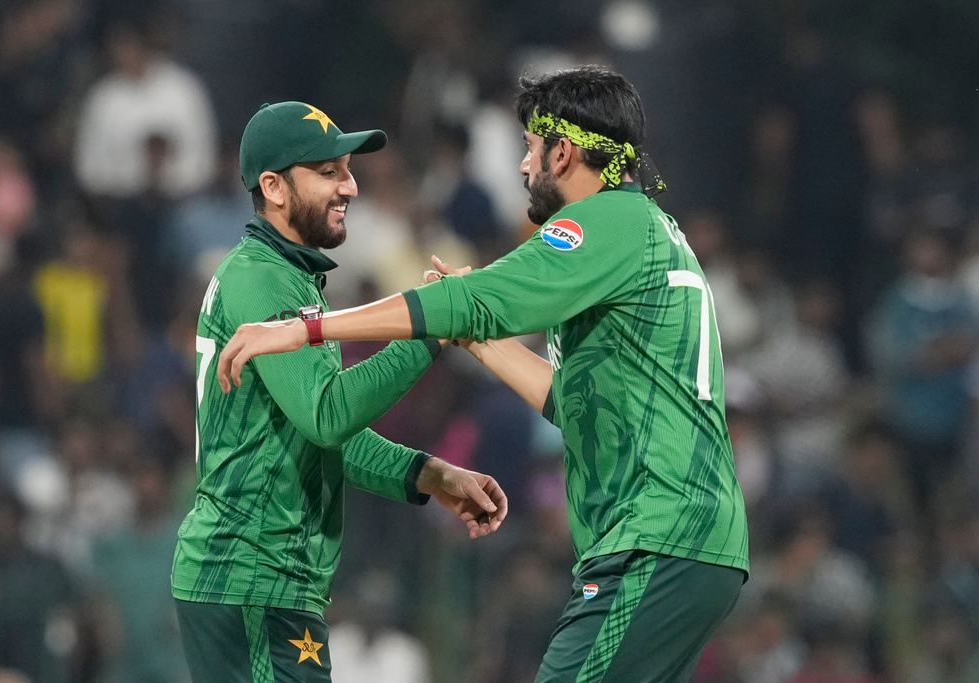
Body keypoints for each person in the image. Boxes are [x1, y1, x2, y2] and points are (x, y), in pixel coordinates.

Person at [218, 66, 749, 682]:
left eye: (530, 148)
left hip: (656, 534)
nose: (523, 167)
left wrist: (306, 329)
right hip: (685, 538)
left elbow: (475, 299)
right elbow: (568, 400)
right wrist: (470, 335)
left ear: (563, 153)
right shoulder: (647, 231)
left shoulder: (602, 222)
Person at [171, 101, 508, 683]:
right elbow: (327, 414)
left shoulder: (290, 277)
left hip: (264, 580)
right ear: (273, 187)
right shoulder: (261, 278)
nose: (350, 186)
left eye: (347, 171)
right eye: (328, 172)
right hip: (249, 576)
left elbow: (320, 434)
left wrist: (428, 474)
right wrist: (431, 326)